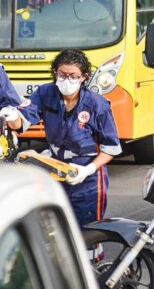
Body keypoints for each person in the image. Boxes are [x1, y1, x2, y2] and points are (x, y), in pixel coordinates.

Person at [20, 49, 122, 227]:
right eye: (62, 75)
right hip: (55, 168)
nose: (67, 80)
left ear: (84, 77)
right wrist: (7, 116)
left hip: (87, 175)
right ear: (55, 72)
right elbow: (23, 120)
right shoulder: (45, 93)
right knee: (53, 227)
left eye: (73, 76)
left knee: (87, 229)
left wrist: (88, 170)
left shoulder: (97, 104)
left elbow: (111, 148)